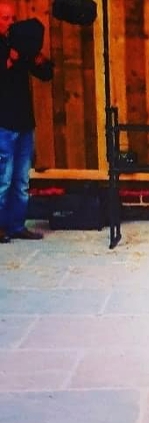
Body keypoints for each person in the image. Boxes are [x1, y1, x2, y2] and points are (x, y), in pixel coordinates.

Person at [0, 2, 53, 243]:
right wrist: (9, 60)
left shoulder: (18, 43)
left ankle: (16, 225)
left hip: (23, 122)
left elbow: (44, 73)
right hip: (3, 124)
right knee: (3, 179)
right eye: (5, 18)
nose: (9, 23)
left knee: (21, 180)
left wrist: (36, 59)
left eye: (11, 18)